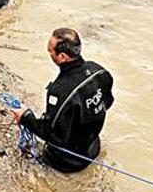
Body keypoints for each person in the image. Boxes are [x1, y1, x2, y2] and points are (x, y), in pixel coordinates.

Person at [11, 28, 114, 173]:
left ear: (63, 57)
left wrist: (25, 117)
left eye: (50, 51)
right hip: (93, 149)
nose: (49, 54)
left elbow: (54, 136)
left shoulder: (59, 91)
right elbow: (107, 103)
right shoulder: (100, 72)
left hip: (66, 162)